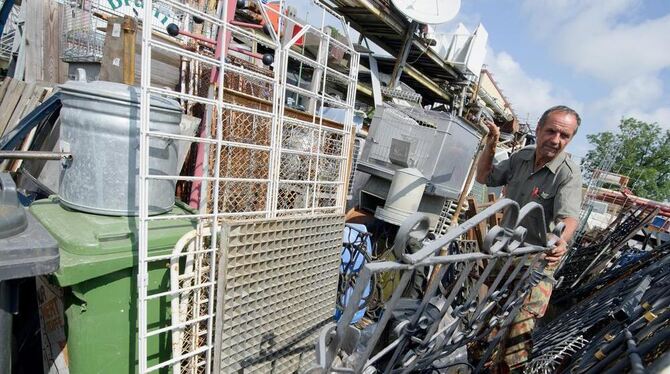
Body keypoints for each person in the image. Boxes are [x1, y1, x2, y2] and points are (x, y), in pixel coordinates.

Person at [475, 105, 583, 371]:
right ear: (538, 129)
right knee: (490, 318)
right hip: (506, 252)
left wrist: (561, 240)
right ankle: (480, 362)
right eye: (551, 131)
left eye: (564, 136)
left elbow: (568, 219)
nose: (556, 140)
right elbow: (484, 177)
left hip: (537, 261)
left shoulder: (568, 173)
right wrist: (491, 143)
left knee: (517, 334)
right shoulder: (521, 158)